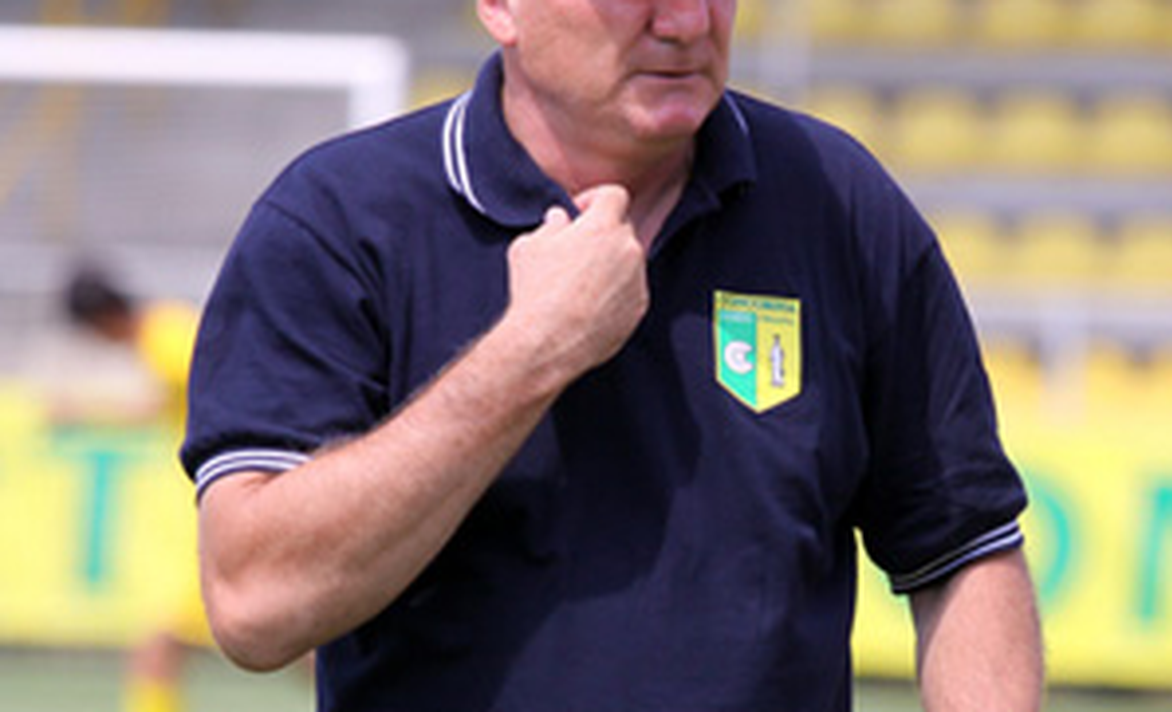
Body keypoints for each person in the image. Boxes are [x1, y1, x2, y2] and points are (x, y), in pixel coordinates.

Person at [182, 1, 1044, 710]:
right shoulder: (339, 221)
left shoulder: (837, 201)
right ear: (501, 8)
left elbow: (964, 551)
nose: (686, 22)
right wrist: (528, 354)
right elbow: (256, 607)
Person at [60, 267, 209, 712]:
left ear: (100, 320)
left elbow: (223, 385)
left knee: (157, 643)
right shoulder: (162, 335)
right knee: (297, 643)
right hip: (205, 514)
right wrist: (88, 413)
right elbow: (159, 408)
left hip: (212, 517)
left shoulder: (166, 340)